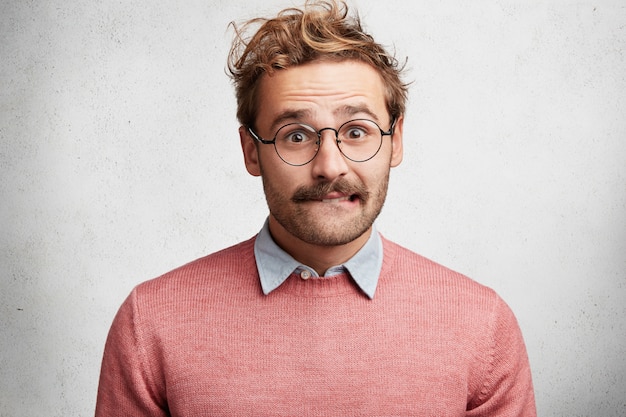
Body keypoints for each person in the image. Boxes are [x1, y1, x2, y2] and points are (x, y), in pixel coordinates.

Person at [95, 1, 536, 415]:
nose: (330, 166)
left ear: (395, 141)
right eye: (297, 135)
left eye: (357, 131)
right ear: (252, 151)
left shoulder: (481, 325)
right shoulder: (151, 323)